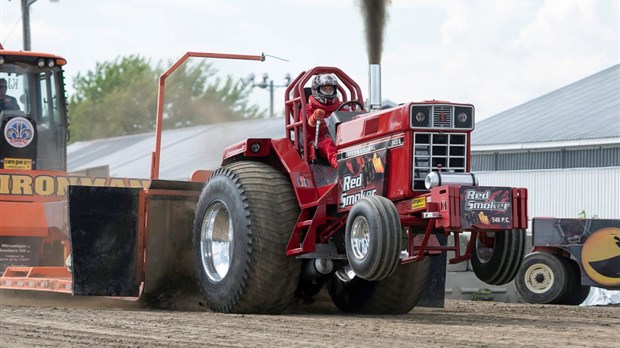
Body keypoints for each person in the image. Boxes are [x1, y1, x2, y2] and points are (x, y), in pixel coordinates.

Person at [306, 73, 343, 168]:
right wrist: (314, 117)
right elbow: (309, 126)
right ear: (316, 90)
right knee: (329, 143)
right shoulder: (309, 109)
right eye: (325, 89)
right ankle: (340, 166)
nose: (328, 92)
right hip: (320, 141)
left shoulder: (342, 106)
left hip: (342, 138)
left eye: (330, 89)